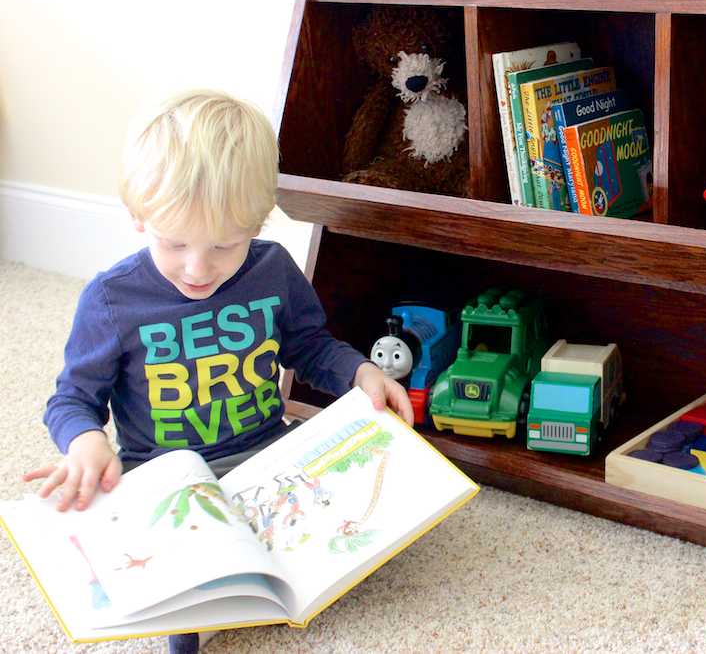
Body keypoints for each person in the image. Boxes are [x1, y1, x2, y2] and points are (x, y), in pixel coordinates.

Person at [22, 89, 413, 654]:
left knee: (362, 527)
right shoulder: (112, 300)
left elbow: (309, 345)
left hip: (267, 457)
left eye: (226, 245)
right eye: (173, 242)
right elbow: (71, 399)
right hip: (167, 478)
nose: (198, 268)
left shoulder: (273, 270)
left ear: (257, 221)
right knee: (183, 593)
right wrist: (85, 442)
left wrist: (358, 373)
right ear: (137, 216)